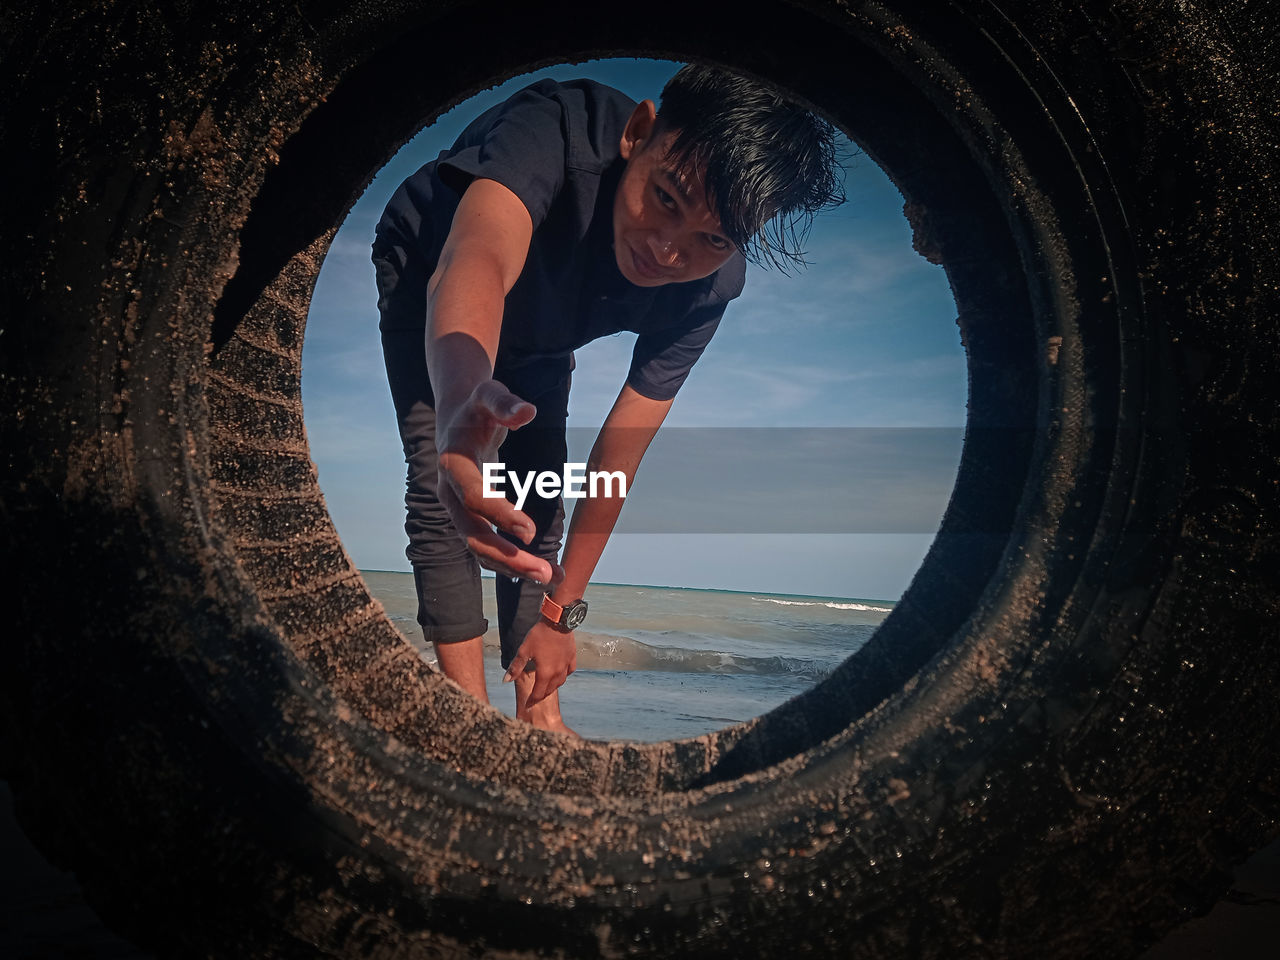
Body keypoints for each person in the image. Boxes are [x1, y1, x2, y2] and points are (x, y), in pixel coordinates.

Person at [372, 64, 843, 735]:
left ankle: (538, 709)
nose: (666, 249)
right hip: (431, 271)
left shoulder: (708, 290)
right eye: (668, 198)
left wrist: (564, 614)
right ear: (639, 133)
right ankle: (467, 719)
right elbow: (476, 253)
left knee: (539, 499)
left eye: (712, 240)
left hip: (542, 331)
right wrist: (458, 401)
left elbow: (618, 458)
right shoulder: (560, 128)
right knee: (446, 477)